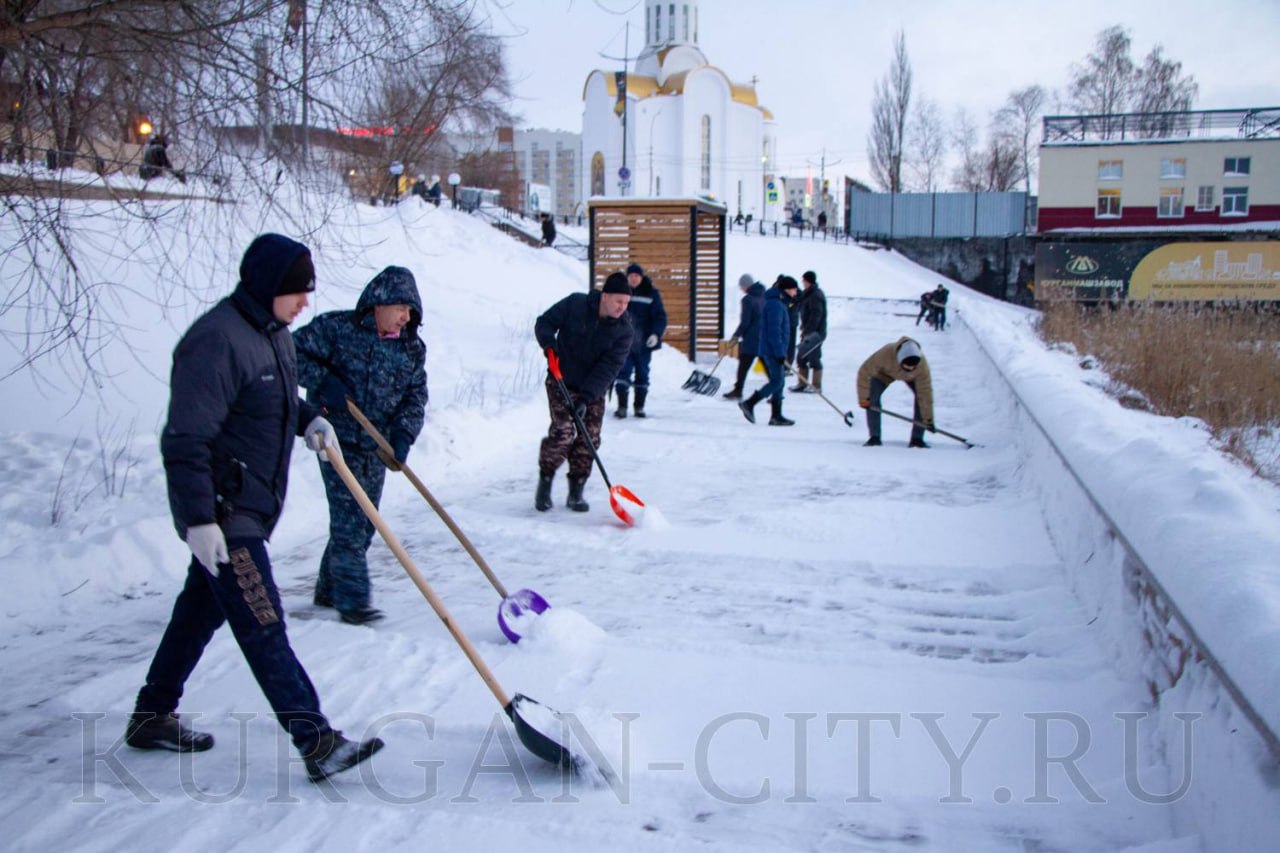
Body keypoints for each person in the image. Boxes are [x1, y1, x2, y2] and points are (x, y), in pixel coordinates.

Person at [127, 233, 383, 783]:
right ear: (268, 287)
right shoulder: (216, 341)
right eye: (297, 292)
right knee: (263, 621)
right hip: (224, 514)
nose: (305, 303)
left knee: (199, 611)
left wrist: (307, 416)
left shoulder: (272, 335)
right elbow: (186, 439)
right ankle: (316, 741)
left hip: (247, 508)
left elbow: (271, 397)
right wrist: (199, 520)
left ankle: (151, 713)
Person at [294, 266, 427, 626]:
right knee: (351, 523)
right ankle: (353, 604)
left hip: (376, 446)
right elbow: (287, 355)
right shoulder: (337, 330)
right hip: (336, 441)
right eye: (401, 306)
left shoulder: (411, 348)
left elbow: (416, 397)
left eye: (411, 310)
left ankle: (328, 589)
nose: (406, 316)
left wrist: (403, 434)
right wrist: (323, 381)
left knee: (364, 523)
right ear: (378, 303)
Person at [533, 273, 634, 512]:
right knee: (563, 434)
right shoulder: (576, 304)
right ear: (605, 296)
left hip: (593, 389)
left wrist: (586, 398)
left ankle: (575, 492)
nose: (622, 308)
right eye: (619, 301)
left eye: (626, 303)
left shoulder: (623, 331)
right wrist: (549, 345)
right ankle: (545, 481)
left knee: (590, 438)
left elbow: (608, 369)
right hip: (561, 380)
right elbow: (544, 322)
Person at [739, 275, 799, 427]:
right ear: (786, 289)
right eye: (793, 289)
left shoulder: (779, 303)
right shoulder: (775, 305)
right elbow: (774, 331)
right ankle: (750, 403)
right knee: (777, 381)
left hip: (775, 349)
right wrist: (779, 353)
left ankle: (776, 415)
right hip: (772, 350)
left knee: (780, 381)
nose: (795, 293)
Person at [856, 337, 935, 448]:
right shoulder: (885, 354)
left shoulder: (922, 366)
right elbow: (864, 372)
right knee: (872, 398)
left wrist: (928, 420)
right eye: (907, 366)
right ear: (899, 359)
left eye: (913, 367)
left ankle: (917, 439)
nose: (910, 368)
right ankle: (874, 437)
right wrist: (864, 399)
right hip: (884, 374)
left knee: (920, 399)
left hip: (912, 378)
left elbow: (926, 394)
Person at [613, 262, 667, 419]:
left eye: (637, 276)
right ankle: (622, 407)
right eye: (631, 276)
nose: (634, 279)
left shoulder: (651, 293)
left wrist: (655, 334)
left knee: (642, 373)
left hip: (643, 343)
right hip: (623, 342)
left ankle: (639, 407)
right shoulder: (620, 293)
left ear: (641, 277)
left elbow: (660, 316)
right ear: (627, 277)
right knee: (623, 372)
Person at [721, 273, 765, 400]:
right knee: (768, 366)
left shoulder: (748, 299)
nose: (741, 289)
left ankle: (738, 390)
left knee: (743, 365)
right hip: (763, 337)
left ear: (745, 286)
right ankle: (776, 391)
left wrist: (735, 337)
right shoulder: (763, 296)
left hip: (751, 338)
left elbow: (745, 322)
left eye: (741, 286)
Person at [790, 270, 827, 393]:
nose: (802, 283)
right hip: (808, 332)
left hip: (815, 334)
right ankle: (802, 383)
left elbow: (816, 315)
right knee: (801, 357)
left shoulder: (816, 295)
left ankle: (816, 386)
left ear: (808, 281)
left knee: (814, 358)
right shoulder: (808, 294)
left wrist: (809, 331)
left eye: (804, 280)